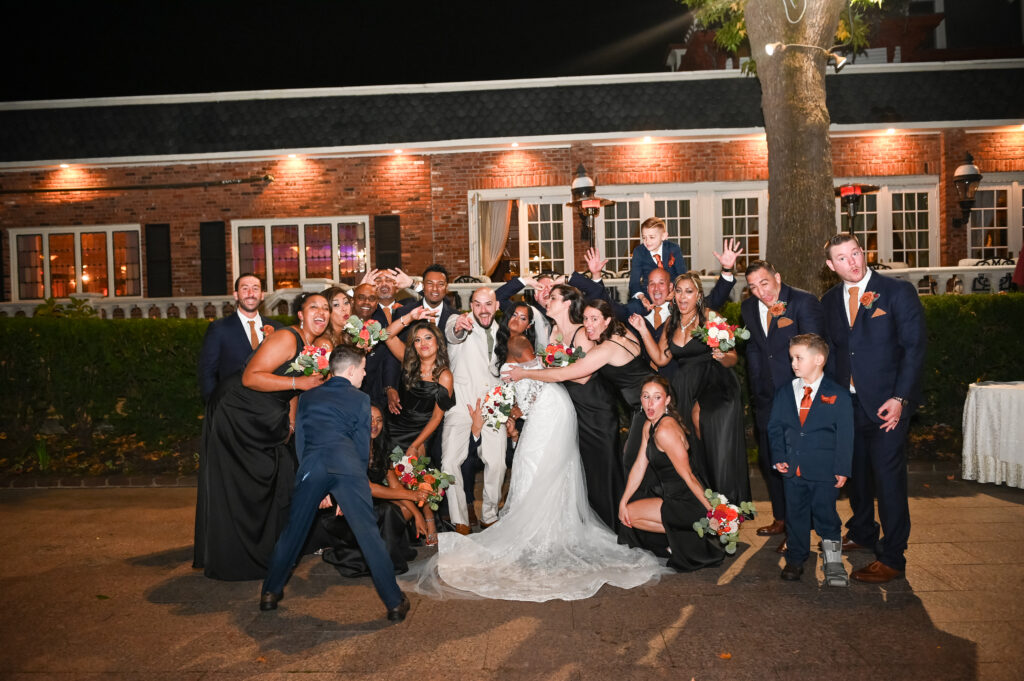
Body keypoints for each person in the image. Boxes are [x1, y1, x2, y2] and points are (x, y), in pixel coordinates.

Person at [401, 338, 668, 602]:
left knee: (533, 462)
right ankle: (543, 525)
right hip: (549, 410)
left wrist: (514, 410)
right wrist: (511, 411)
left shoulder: (519, 356)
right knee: (541, 465)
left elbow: (531, 394)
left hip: (547, 411)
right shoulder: (526, 354)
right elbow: (523, 395)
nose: (520, 324)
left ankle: (539, 529)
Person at [260, 345, 410, 622]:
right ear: (351, 370)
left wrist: (316, 483)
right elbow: (361, 446)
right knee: (368, 536)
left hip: (313, 465)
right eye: (363, 369)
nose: (365, 375)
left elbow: (301, 441)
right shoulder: (361, 399)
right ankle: (394, 603)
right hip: (348, 467)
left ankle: (269, 592)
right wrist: (344, 488)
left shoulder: (308, 397)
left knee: (293, 532)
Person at [193, 292, 329, 581]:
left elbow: (290, 386)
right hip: (236, 413)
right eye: (314, 307)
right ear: (300, 315)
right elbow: (251, 376)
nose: (322, 312)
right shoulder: (286, 338)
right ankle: (237, 559)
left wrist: (290, 418)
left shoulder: (311, 347)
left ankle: (260, 552)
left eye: (326, 308)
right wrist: (299, 382)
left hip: (264, 417)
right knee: (240, 486)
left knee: (263, 485)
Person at [821, 233, 926, 584]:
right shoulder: (830, 301)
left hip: (887, 408)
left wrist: (900, 398)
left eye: (856, 253)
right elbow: (835, 353)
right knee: (858, 477)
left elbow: (914, 349)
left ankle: (894, 557)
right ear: (831, 266)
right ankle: (863, 531)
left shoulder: (897, 292)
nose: (853, 261)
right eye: (843, 257)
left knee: (888, 481)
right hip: (848, 406)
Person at [630, 271, 751, 506]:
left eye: (689, 291)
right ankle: (705, 501)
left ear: (698, 295)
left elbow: (733, 357)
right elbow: (661, 358)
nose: (683, 297)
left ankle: (727, 502)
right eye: (679, 291)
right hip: (685, 388)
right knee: (692, 444)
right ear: (673, 296)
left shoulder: (710, 317)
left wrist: (721, 355)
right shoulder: (671, 323)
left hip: (716, 383)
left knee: (705, 424)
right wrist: (644, 331)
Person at [740, 260, 825, 548]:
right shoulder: (749, 308)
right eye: (753, 287)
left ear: (777, 277)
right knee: (770, 459)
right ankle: (781, 518)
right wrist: (755, 383)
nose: (760, 291)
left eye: (764, 283)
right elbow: (754, 347)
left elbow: (815, 350)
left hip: (797, 396)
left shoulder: (803, 302)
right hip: (765, 397)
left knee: (796, 464)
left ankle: (798, 531)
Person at [768, 334, 853, 585]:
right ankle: (795, 559)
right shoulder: (785, 392)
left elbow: (846, 435)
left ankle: (833, 562)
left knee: (827, 516)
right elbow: (775, 428)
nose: (793, 363)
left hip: (824, 470)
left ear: (819, 359)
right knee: (795, 516)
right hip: (792, 469)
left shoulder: (838, 394)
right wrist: (778, 457)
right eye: (792, 357)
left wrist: (842, 468)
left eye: (798, 358)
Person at [618, 375, 726, 572]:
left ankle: (692, 529)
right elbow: (639, 466)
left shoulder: (664, 431)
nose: (650, 403)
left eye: (657, 397)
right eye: (645, 396)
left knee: (632, 516)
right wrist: (623, 501)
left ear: (667, 400)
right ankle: (684, 537)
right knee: (627, 514)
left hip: (687, 501)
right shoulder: (649, 425)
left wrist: (714, 511)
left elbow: (689, 477)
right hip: (671, 496)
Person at [314, 403, 434, 576]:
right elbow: (369, 488)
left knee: (401, 509)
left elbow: (394, 485)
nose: (375, 425)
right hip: (341, 511)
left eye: (379, 420)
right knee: (388, 510)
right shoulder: (350, 447)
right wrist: (413, 495)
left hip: (367, 504)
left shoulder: (379, 447)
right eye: (369, 419)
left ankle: (382, 556)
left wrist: (417, 515)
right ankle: (380, 561)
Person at [442, 287, 507, 534]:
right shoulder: (459, 322)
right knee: (449, 462)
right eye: (477, 304)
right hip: (462, 403)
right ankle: (459, 519)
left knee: (498, 463)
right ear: (470, 306)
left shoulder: (504, 332)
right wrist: (458, 325)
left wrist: (507, 410)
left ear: (496, 305)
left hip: (493, 405)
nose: (483, 309)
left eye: (488, 304)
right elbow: (453, 333)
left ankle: (489, 514)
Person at [382, 308, 456, 467]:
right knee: (388, 474)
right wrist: (409, 316)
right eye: (417, 340)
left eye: (428, 338)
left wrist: (416, 444)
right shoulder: (408, 361)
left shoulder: (444, 376)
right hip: (394, 426)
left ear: (438, 342)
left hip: (422, 432)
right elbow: (386, 336)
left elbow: (437, 417)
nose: (423, 343)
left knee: (416, 479)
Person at [197, 273, 282, 403]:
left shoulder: (278, 329)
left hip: (271, 407)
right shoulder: (219, 328)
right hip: (233, 407)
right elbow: (207, 371)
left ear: (262, 295)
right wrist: (214, 405)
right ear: (236, 295)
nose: (250, 293)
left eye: (255, 288)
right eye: (245, 288)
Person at [349, 283, 400, 408]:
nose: (366, 302)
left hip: (375, 396)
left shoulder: (379, 327)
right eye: (361, 297)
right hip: (347, 396)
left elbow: (389, 357)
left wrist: (389, 387)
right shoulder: (343, 326)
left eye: (372, 299)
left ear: (376, 303)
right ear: (352, 301)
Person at [394, 264, 457, 342]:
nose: (435, 288)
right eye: (430, 283)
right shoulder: (404, 313)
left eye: (440, 284)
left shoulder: (455, 317)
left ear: (446, 287)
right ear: (423, 286)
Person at [628, 217, 687, 299]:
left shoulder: (673, 248)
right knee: (632, 307)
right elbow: (634, 281)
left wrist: (675, 292)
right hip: (649, 296)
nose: (647, 241)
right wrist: (642, 298)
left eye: (652, 237)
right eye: (644, 237)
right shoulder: (639, 252)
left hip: (673, 295)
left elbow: (683, 276)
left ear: (664, 236)